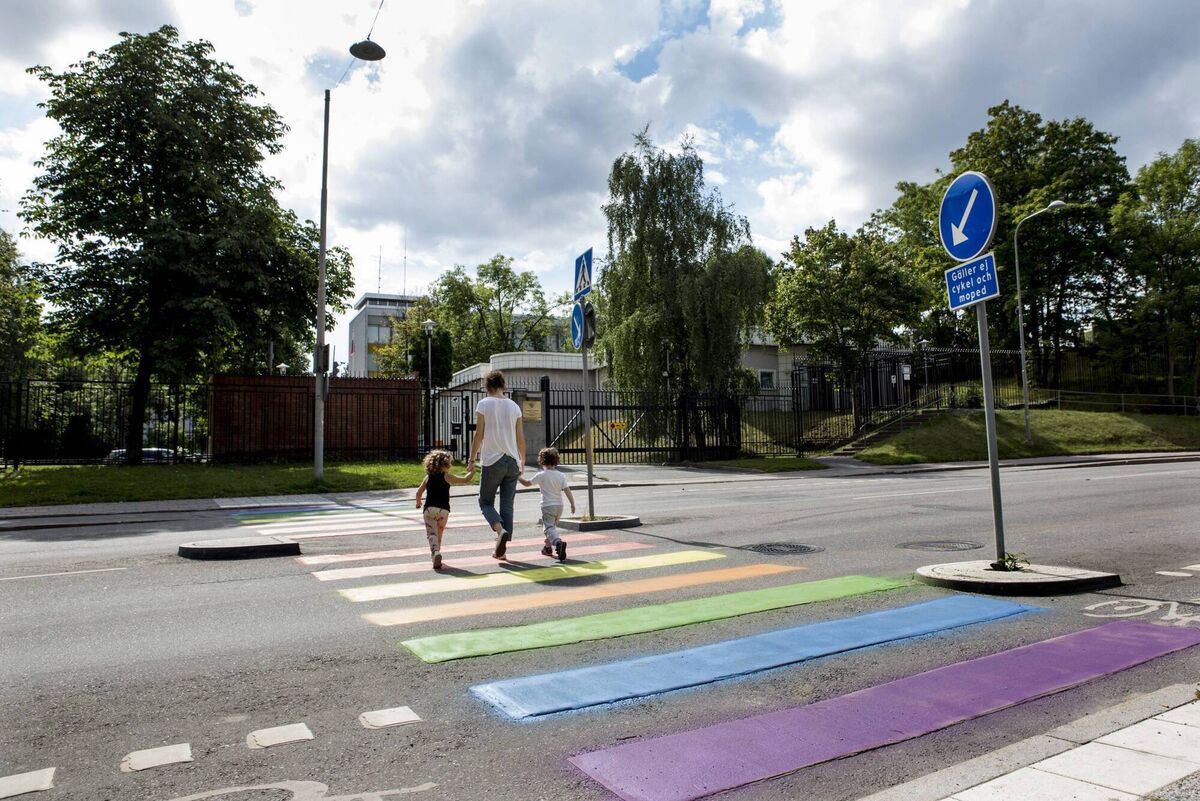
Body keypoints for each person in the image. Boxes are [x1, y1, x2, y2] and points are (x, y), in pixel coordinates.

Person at [466, 370, 525, 559]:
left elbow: (479, 434)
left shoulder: (484, 404)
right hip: (513, 461)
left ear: (487, 386)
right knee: (507, 505)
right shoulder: (515, 406)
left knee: (485, 502)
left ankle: (500, 532)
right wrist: (522, 461)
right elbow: (520, 438)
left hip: (493, 460)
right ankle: (502, 550)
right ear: (503, 385)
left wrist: (471, 459)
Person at [413, 449, 474, 570]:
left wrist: (418, 502)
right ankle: (437, 553)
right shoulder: (447, 476)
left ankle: (435, 552)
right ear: (446, 464)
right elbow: (465, 479)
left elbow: (418, 493)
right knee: (439, 533)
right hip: (444, 511)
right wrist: (472, 471)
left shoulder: (428, 477)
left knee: (432, 533)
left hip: (429, 509)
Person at [518, 446, 575, 562]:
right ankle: (547, 548)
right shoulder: (561, 475)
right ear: (556, 460)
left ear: (542, 460)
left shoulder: (542, 475)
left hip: (548, 506)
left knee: (548, 528)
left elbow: (527, 484)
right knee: (552, 528)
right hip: (559, 506)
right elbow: (567, 490)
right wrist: (572, 504)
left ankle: (558, 543)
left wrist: (518, 477)